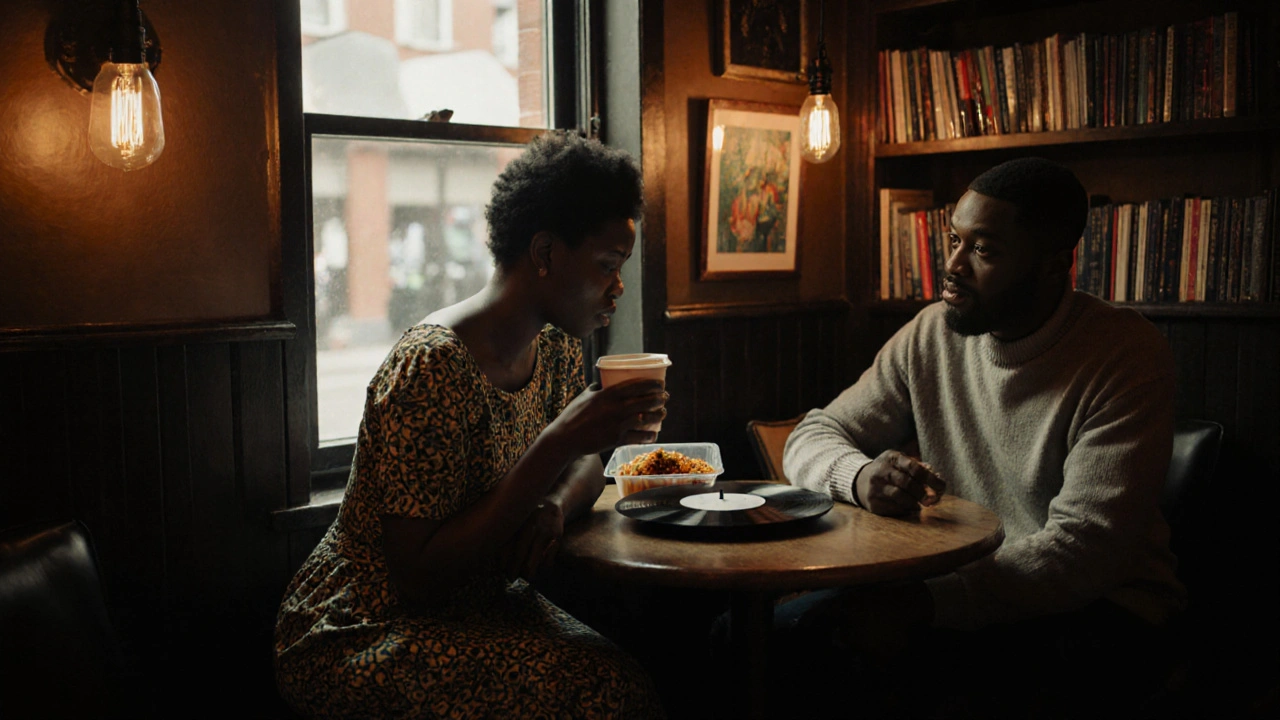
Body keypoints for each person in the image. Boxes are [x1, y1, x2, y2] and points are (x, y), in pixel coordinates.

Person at [275, 133, 668, 719]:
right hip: (362, 623)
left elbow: (589, 462)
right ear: (545, 253)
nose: (617, 287)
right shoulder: (431, 366)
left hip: (479, 603)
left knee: (638, 665)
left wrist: (557, 503)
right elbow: (420, 577)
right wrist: (558, 441)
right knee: (608, 691)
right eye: (608, 266)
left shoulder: (556, 345)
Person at [780, 157, 1186, 717]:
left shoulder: (1125, 356)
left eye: (983, 250)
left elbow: (1084, 551)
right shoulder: (931, 333)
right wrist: (858, 475)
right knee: (764, 638)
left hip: (1109, 608)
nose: (951, 266)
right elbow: (813, 434)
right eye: (953, 239)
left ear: (1052, 265)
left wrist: (922, 602)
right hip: (957, 588)